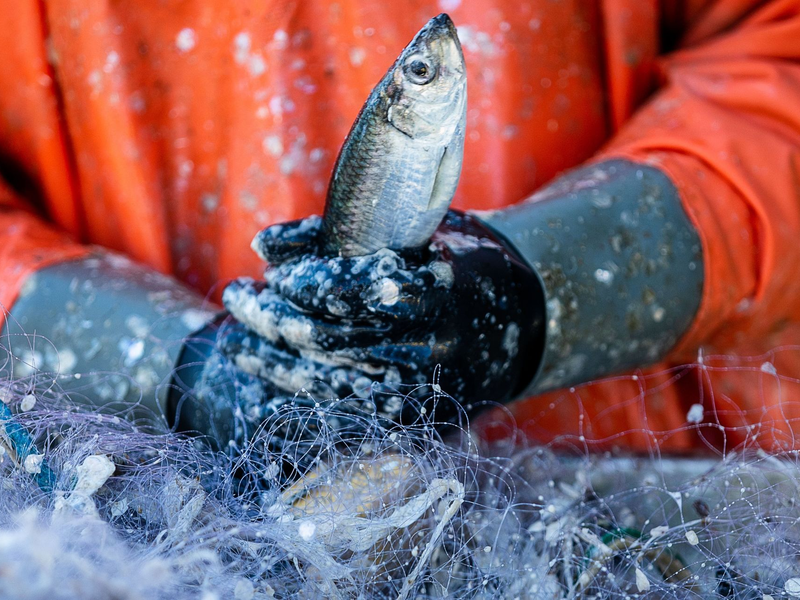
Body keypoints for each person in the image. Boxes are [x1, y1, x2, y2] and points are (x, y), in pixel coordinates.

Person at [1, 0, 800, 453]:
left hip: (633, 493)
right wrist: (179, 370)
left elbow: (777, 60)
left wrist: (538, 288)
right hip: (141, 516)